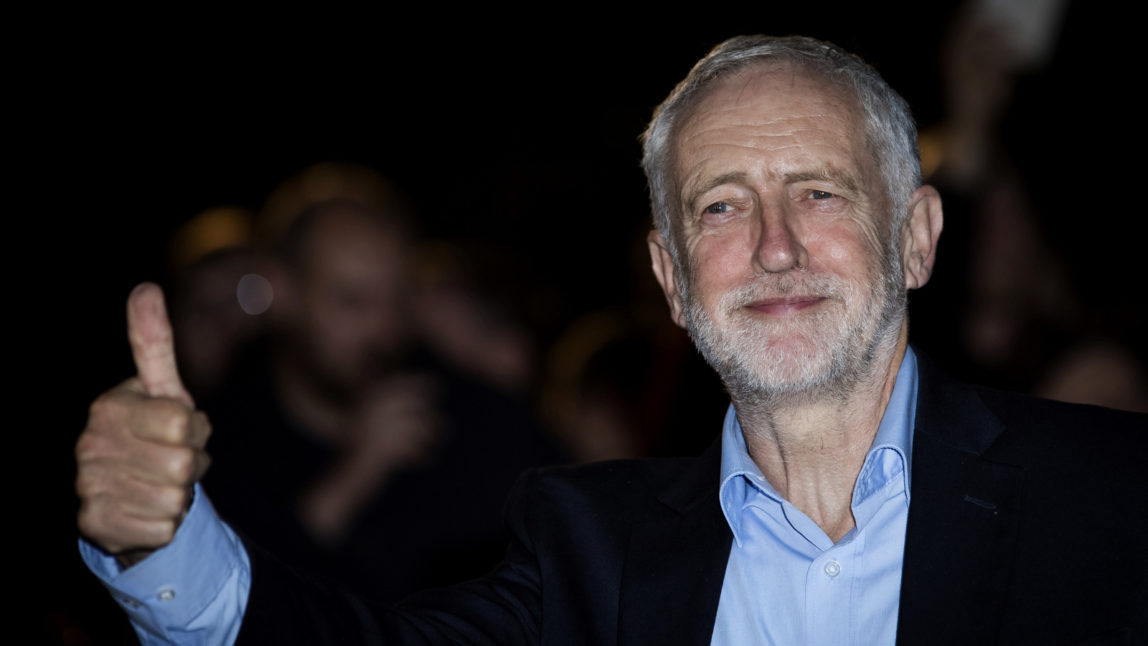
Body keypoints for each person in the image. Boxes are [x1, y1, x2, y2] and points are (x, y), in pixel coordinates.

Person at [75, 35, 1146, 645]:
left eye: (819, 191)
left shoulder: (1116, 496)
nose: (773, 246)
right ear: (671, 280)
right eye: (721, 206)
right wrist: (160, 543)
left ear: (915, 237)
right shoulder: (585, 550)